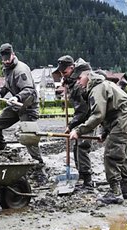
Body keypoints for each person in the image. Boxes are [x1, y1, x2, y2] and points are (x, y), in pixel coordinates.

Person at [69, 65, 127, 204]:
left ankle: (114, 192)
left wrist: (78, 130)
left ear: (87, 75)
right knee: (121, 155)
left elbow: (98, 115)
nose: (78, 82)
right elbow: (109, 112)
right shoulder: (103, 85)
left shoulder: (97, 88)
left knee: (111, 155)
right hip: (125, 119)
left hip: (122, 121)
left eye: (79, 78)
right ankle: (125, 191)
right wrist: (105, 132)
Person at [0, 43, 43, 163]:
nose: (6, 61)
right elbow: (6, 85)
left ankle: (38, 162)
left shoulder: (21, 70)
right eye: (4, 60)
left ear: (13, 55)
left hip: (28, 106)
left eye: (8, 59)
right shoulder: (6, 69)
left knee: (28, 136)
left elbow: (29, 90)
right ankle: (3, 150)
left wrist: (17, 97)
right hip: (15, 107)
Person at [53, 55, 93, 188]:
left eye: (64, 72)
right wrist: (67, 82)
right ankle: (81, 175)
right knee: (77, 146)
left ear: (72, 68)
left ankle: (88, 180)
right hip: (82, 116)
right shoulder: (72, 81)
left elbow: (82, 110)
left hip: (89, 117)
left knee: (82, 146)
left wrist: (71, 126)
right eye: (60, 72)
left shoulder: (79, 84)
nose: (62, 75)